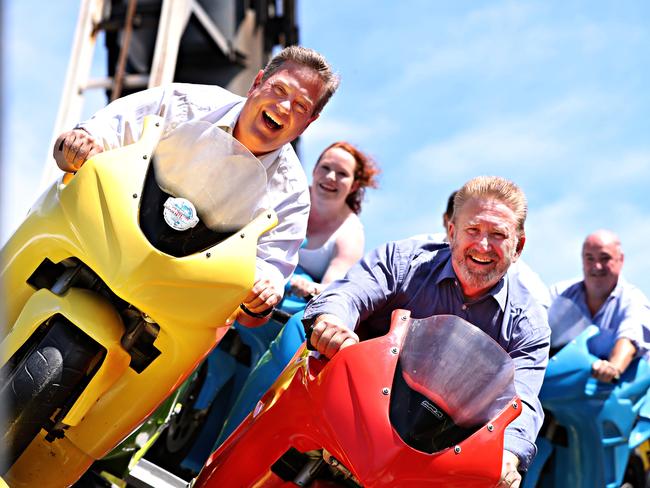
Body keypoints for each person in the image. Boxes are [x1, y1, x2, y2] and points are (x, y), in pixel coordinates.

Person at [52, 45, 339, 321]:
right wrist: (80, 144)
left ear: (309, 123)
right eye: (279, 89)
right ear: (257, 83)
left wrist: (264, 294)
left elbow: (268, 272)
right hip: (99, 241)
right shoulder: (186, 103)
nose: (285, 106)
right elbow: (104, 131)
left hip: (175, 303)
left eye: (301, 106)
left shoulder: (292, 197)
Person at [303, 176, 551, 487]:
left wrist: (509, 454)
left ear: (518, 247)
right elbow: (350, 293)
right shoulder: (404, 260)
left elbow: (522, 401)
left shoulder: (529, 325)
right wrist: (334, 321)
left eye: (498, 235)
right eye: (473, 230)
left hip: (438, 452)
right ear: (451, 232)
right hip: (348, 416)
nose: (483, 246)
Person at [212, 141, 380, 447]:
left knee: (287, 344)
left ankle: (235, 434)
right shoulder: (292, 196)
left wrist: (311, 287)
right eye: (325, 168)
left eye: (341, 173)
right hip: (252, 280)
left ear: (354, 184)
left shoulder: (350, 232)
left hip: (288, 306)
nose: (330, 177)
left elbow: (335, 289)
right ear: (314, 170)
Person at [417, 190, 551, 310]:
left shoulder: (516, 271)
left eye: (496, 232)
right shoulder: (419, 251)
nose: (482, 245)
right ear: (448, 223)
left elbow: (540, 301)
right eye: (472, 227)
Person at [550, 230, 650, 383]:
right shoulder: (559, 294)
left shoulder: (633, 300)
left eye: (605, 258)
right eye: (590, 258)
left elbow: (629, 339)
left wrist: (613, 367)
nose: (597, 266)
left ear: (620, 260)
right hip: (563, 392)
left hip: (618, 396)